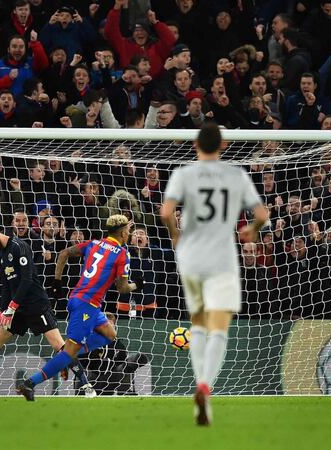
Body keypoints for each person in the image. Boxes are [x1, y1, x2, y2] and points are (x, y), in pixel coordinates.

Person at [159, 122, 269, 425]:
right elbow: (262, 214)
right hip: (221, 258)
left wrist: (175, 234)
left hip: (191, 256)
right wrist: (252, 229)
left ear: (196, 145)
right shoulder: (236, 175)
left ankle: (199, 392)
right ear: (223, 145)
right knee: (219, 327)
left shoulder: (183, 173)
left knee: (198, 322)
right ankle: (205, 386)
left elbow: (166, 212)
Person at [17, 214, 142, 401]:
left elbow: (63, 254)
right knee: (69, 352)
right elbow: (122, 288)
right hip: (86, 305)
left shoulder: (94, 243)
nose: (129, 234)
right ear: (123, 233)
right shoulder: (122, 254)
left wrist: (57, 281)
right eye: (128, 231)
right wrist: (137, 285)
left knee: (110, 334)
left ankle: (67, 355)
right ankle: (30, 383)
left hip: (84, 302)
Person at [0, 221, 96, 398]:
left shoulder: (19, 246)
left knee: (60, 346)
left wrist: (12, 306)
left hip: (36, 304)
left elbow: (26, 280)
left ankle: (87, 386)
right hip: (16, 308)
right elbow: (6, 286)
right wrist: (4, 310)